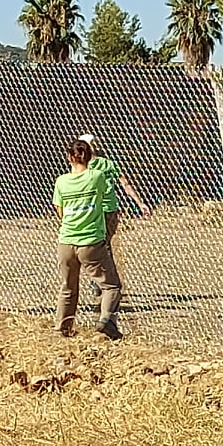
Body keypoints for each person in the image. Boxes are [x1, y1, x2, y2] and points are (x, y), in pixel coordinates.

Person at [74, 131, 150, 338]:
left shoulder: (85, 166)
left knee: (96, 245)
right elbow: (125, 184)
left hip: (95, 210)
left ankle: (98, 280)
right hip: (111, 210)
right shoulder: (109, 164)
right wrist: (139, 202)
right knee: (104, 244)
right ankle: (102, 281)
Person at [53, 138, 124, 338]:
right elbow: (105, 198)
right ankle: (106, 321)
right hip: (91, 241)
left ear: (69, 157)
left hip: (66, 241)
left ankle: (62, 329)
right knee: (111, 286)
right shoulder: (97, 177)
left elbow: (60, 211)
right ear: (90, 156)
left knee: (68, 287)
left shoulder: (61, 181)